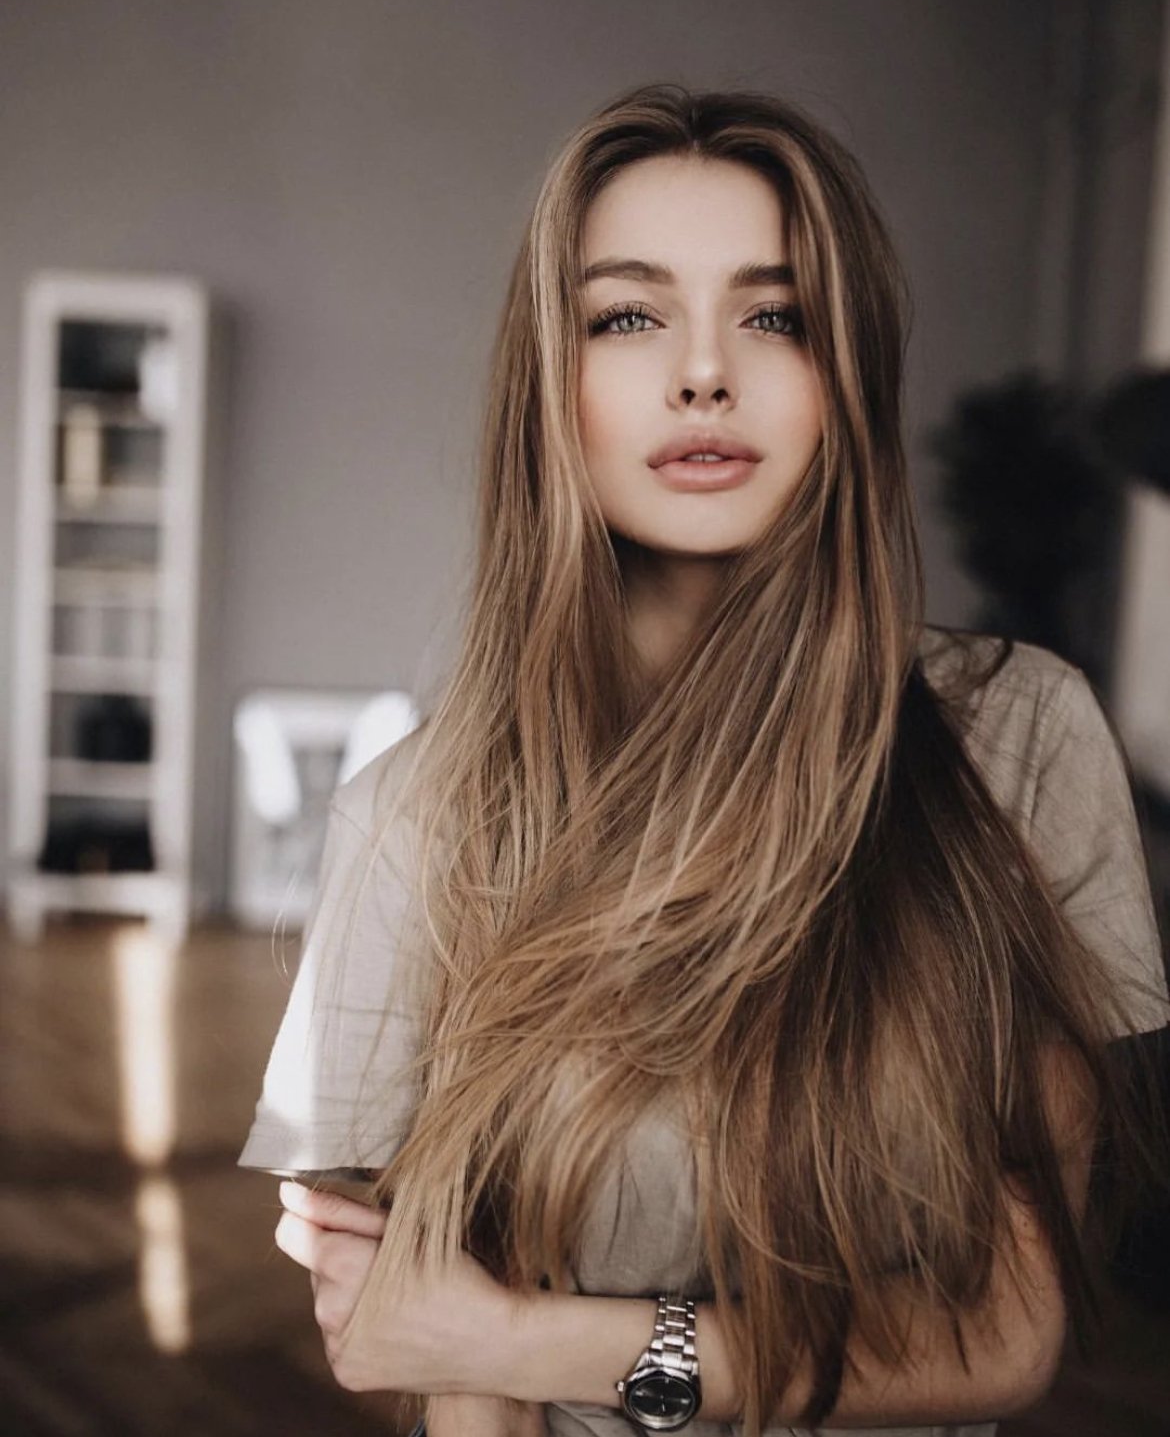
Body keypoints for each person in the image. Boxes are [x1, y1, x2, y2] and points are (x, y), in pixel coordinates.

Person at [239, 83, 1169, 1437]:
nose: (701, 370)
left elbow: (1004, 1335)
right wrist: (495, 1347)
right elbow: (426, 1350)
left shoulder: (1013, 738)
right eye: (628, 313)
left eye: (773, 314)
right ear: (548, 378)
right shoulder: (416, 812)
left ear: (846, 376)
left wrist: (536, 1338)